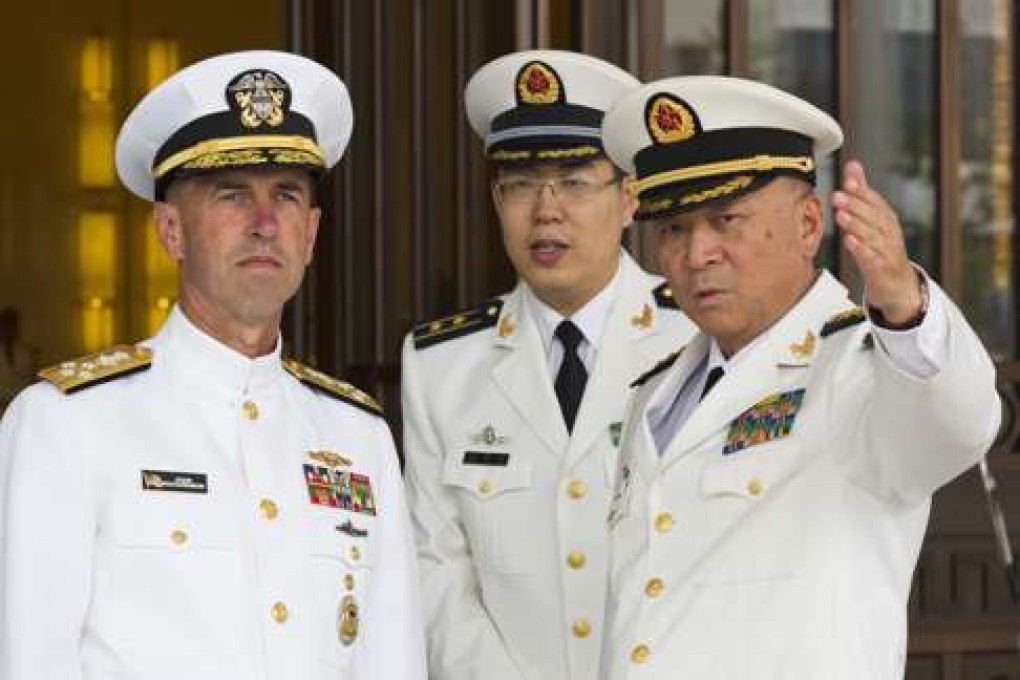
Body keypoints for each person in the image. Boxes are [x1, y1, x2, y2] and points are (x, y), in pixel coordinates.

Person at [0, 50, 425, 680]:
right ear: (171, 230)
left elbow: (392, 663)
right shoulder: (65, 424)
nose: (263, 223)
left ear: (310, 234)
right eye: (232, 195)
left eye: (285, 196)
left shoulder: (357, 437)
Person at [597, 76, 1001, 679]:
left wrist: (902, 304)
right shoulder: (657, 393)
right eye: (674, 228)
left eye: (726, 218)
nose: (696, 252)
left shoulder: (865, 368)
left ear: (810, 225)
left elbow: (959, 422)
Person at [400, 50, 696, 680]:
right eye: (521, 185)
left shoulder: (698, 336)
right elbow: (436, 569)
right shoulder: (441, 363)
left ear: (629, 198)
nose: (546, 210)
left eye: (575, 181)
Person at [0, 307, 35, 413]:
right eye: (5, 326)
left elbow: (29, 380)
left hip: (20, 405)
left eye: (13, 326)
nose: (9, 331)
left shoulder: (25, 352)